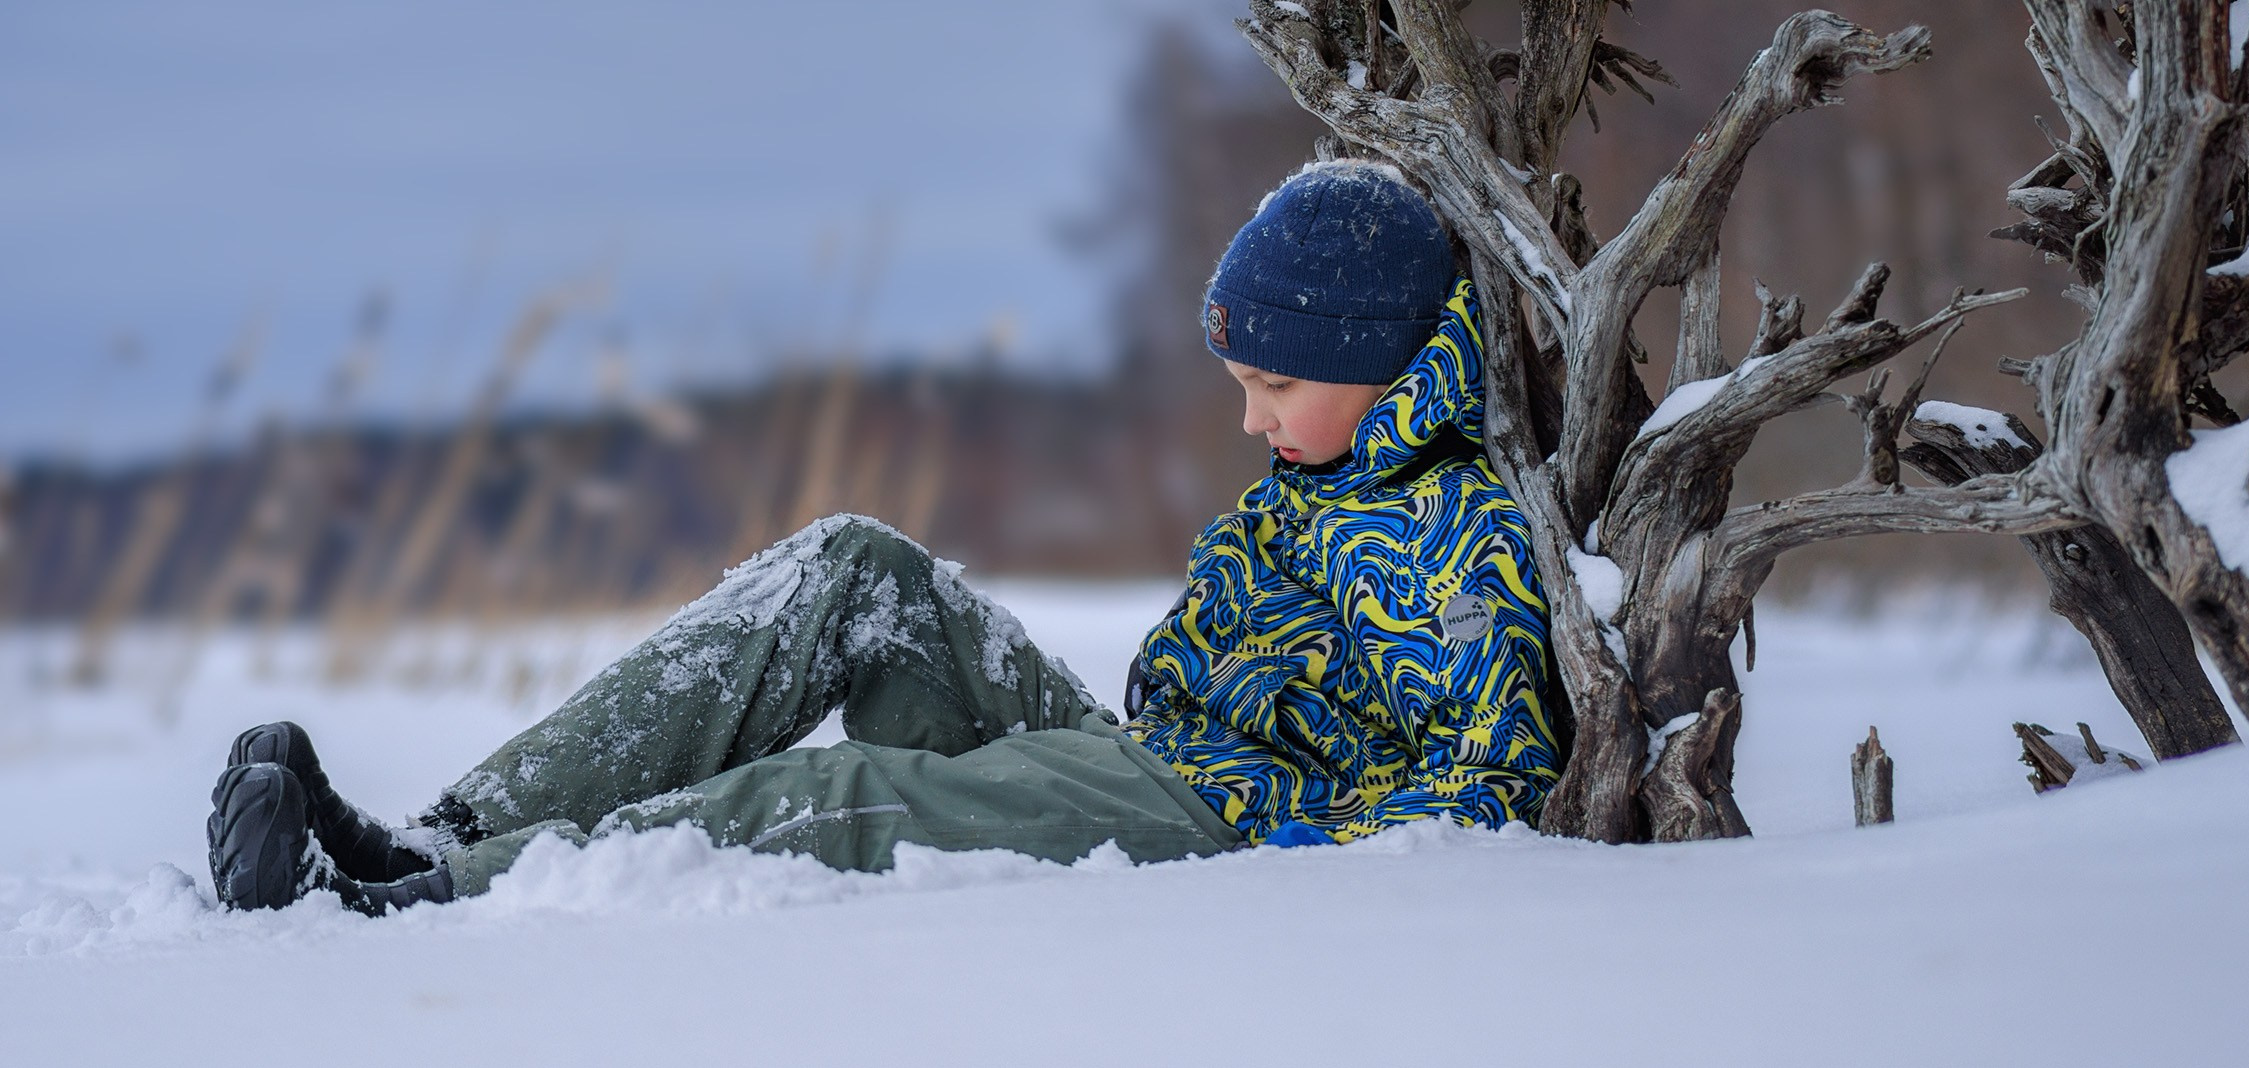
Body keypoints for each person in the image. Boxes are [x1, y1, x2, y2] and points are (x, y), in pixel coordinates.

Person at [205, 163, 1562, 913]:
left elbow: (1492, 798)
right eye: (1242, 387)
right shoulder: (1328, 480)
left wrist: (1287, 823)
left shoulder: (1465, 543)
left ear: (1383, 362)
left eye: (1277, 387)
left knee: (860, 801)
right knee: (854, 569)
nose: (1252, 420)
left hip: (1234, 825)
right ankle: (449, 837)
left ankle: (448, 901)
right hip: (1159, 757)